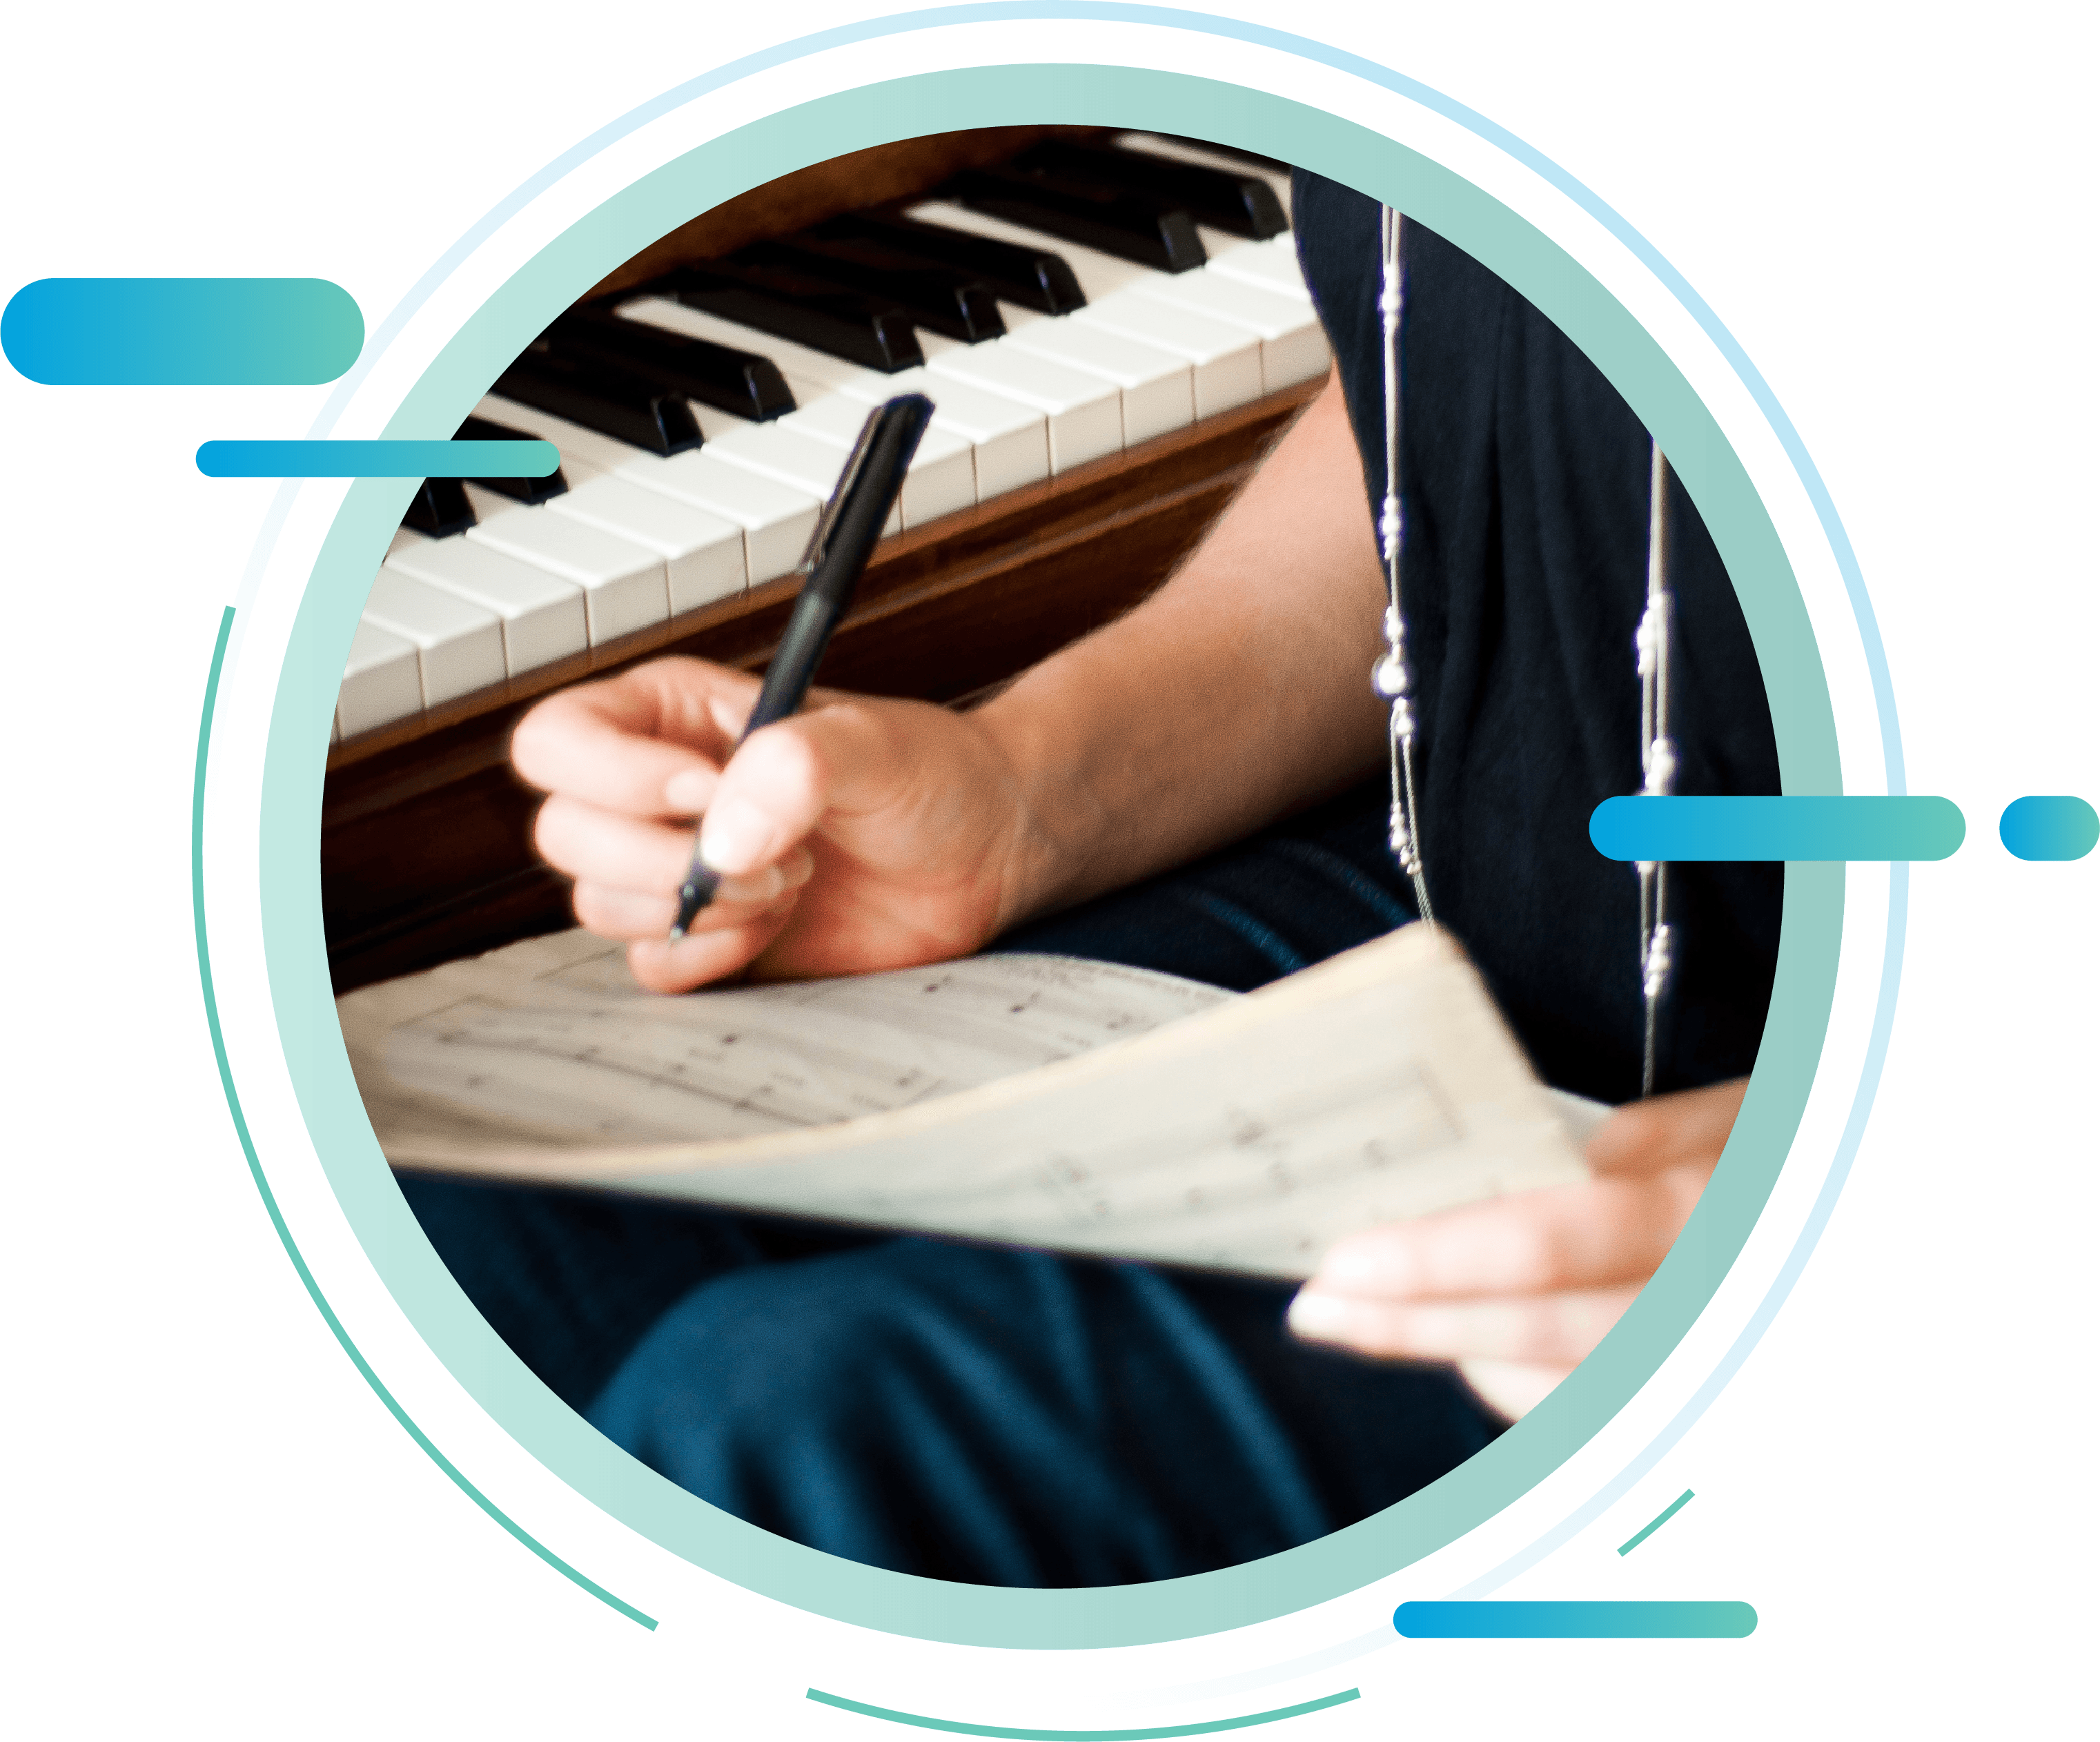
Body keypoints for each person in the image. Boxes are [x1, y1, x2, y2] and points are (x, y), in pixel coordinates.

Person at [398, 171, 1780, 1587]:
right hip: (1508, 835)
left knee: (817, 1427)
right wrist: (1026, 791)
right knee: (448, 1226)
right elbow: (1466, 334)